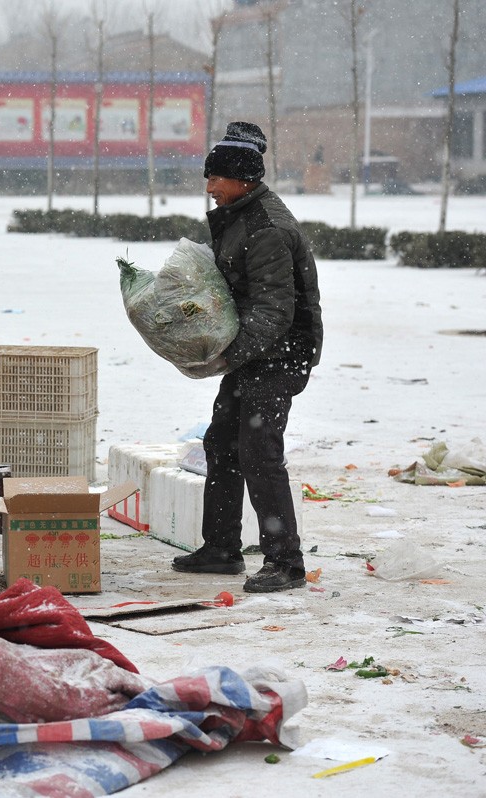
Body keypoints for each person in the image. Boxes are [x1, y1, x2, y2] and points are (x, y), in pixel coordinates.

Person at [170, 121, 323, 593]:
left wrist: (224, 354)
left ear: (245, 180)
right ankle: (221, 549)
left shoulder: (267, 228)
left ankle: (285, 562)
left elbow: (274, 310)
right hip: (256, 353)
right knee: (221, 442)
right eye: (208, 176)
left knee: (260, 453)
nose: (210, 187)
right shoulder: (239, 215)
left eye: (217, 178)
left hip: (280, 354)